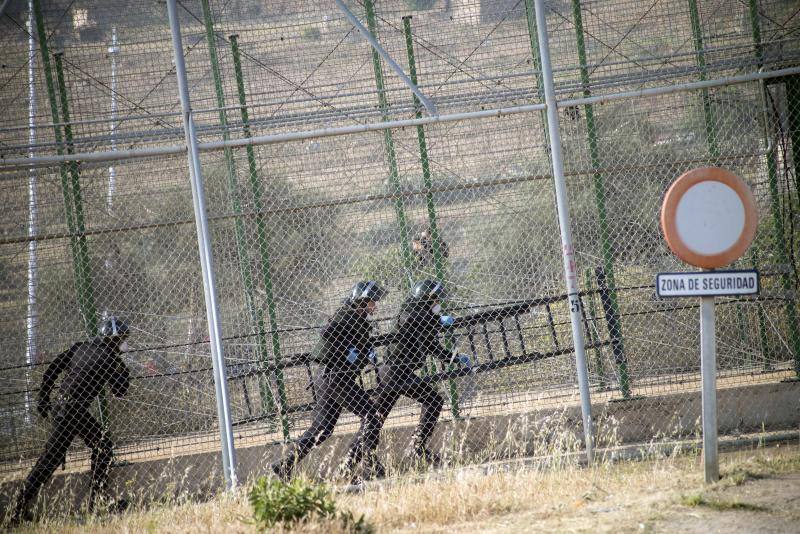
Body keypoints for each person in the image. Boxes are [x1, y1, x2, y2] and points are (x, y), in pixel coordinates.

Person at [11, 317, 131, 523]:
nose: (124, 343)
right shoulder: (111, 359)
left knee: (101, 445)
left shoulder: (80, 347)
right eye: (122, 339)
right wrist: (123, 370)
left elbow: (53, 368)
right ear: (114, 340)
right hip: (72, 412)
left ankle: (98, 501)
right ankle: (16, 510)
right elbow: (120, 391)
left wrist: (44, 397)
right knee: (52, 459)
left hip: (65, 408)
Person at [271, 281, 387, 483]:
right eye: (371, 302)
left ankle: (285, 464)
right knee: (372, 417)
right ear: (361, 302)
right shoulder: (349, 314)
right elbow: (326, 332)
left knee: (322, 428)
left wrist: (362, 352)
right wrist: (347, 351)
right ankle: (355, 466)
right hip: (336, 377)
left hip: (328, 378)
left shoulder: (356, 318)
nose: (374, 306)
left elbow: (351, 340)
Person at [374, 280, 471, 466]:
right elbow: (411, 320)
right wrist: (437, 320)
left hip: (396, 371)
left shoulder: (423, 317)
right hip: (395, 370)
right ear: (426, 299)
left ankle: (357, 458)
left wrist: (455, 358)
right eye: (435, 299)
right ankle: (416, 447)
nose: (438, 303)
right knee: (432, 400)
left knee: (376, 416)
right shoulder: (412, 312)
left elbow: (431, 345)